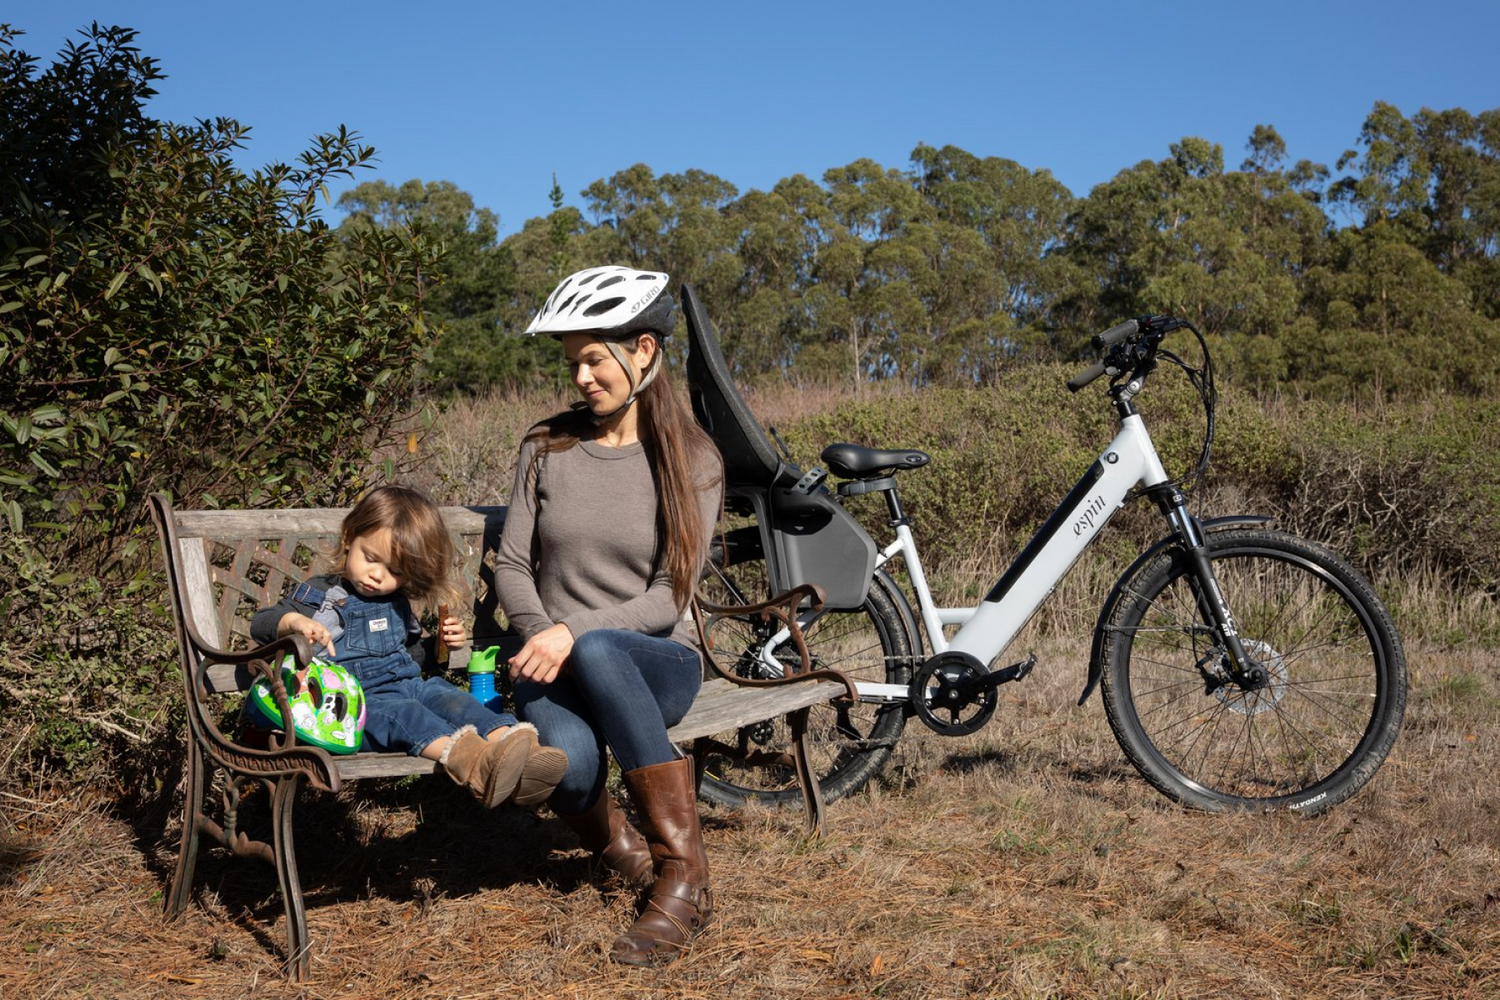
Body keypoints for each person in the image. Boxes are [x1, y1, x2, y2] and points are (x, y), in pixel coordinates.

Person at [495, 265, 724, 966]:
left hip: (655, 662)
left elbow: (668, 597)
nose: (582, 378)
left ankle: (685, 874)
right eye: (574, 363)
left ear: (644, 352)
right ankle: (625, 851)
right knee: (571, 767)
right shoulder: (545, 448)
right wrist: (543, 636)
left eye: (595, 358)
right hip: (555, 661)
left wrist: (575, 632)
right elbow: (510, 565)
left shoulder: (691, 459)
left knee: (599, 652)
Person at [251, 485, 567, 808]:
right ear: (349, 538)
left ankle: (518, 749)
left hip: (410, 685)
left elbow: (414, 658)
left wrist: (440, 647)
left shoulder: (397, 603)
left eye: (395, 571)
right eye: (370, 558)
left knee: (449, 697)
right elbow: (261, 622)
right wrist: (295, 623)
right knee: (408, 714)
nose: (377, 575)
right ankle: (475, 765)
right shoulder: (321, 594)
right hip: (359, 706)